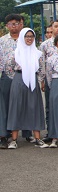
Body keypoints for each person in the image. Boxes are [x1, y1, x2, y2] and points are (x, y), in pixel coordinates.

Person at [5, 28, 45, 149]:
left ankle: (38, 138)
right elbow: (8, 68)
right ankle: (14, 140)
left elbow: (42, 69)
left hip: (33, 81)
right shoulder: (16, 52)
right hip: (18, 79)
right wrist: (18, 77)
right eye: (27, 36)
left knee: (34, 107)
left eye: (31, 36)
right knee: (16, 107)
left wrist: (38, 79)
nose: (29, 39)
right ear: (22, 37)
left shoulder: (37, 53)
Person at [0, 14, 25, 148]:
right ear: (6, 26)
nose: (13, 26)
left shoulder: (27, 39)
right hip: (7, 77)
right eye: (10, 24)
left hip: (23, 75)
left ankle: (27, 134)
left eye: (16, 23)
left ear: (21, 24)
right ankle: (4, 135)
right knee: (4, 105)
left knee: (24, 104)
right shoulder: (2, 41)